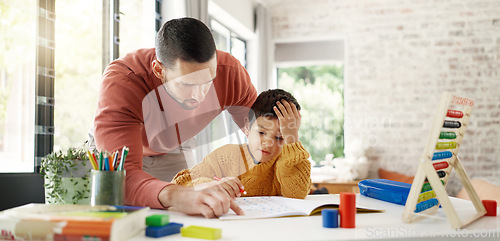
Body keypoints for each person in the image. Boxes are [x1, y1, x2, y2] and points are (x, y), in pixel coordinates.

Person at [92, 17, 257, 218]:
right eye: (187, 85)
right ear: (159, 70)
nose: (199, 96)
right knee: (120, 217)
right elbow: (121, 177)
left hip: (172, 145)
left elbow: (261, 133)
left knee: (191, 213)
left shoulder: (230, 73)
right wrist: (182, 196)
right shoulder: (123, 82)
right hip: (116, 155)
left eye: (208, 82)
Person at [172, 89, 312, 199]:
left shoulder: (287, 161)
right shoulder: (225, 156)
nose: (268, 143)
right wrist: (212, 185)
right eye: (262, 133)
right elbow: (180, 183)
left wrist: (292, 140)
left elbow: (297, 194)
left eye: (280, 138)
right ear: (247, 127)